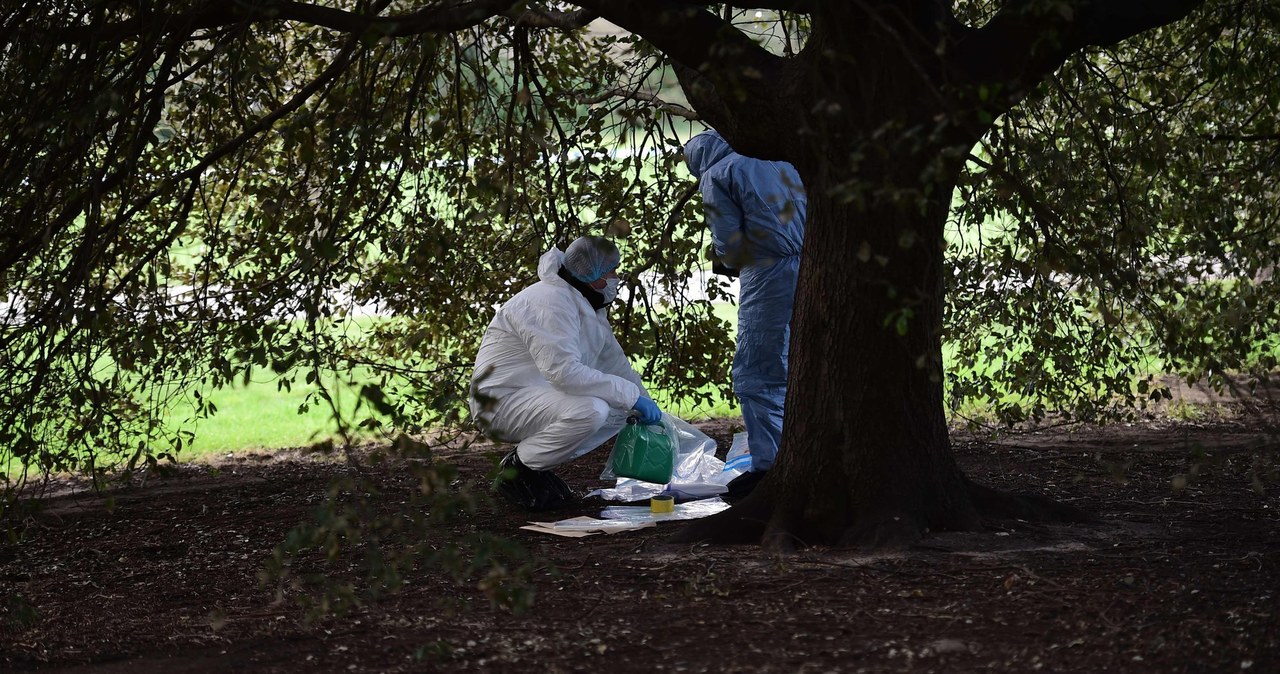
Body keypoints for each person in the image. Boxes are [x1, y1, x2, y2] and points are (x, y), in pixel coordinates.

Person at [468, 235, 663, 511]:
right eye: (611, 272)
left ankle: (536, 466)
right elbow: (564, 372)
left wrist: (648, 408)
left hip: (532, 395)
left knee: (620, 409)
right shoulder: (550, 301)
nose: (616, 278)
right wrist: (630, 397)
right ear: (593, 274)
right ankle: (519, 470)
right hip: (499, 404)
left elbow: (614, 364)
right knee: (593, 409)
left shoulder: (585, 304)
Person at [683, 129, 806, 499]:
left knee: (757, 371)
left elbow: (731, 247)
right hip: (813, 265)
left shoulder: (717, 174)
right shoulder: (777, 156)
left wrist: (725, 260)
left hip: (768, 273)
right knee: (804, 360)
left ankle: (769, 466)